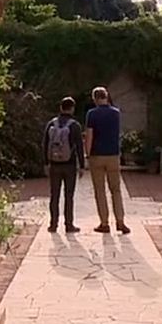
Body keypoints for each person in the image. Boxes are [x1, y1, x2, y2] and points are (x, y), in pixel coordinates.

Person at [84, 86, 131, 234]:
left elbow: (89, 135)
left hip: (97, 155)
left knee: (100, 190)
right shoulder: (116, 113)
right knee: (116, 189)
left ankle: (104, 223)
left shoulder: (92, 114)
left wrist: (87, 153)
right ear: (107, 96)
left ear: (95, 98)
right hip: (113, 155)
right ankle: (120, 221)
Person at [42, 96, 86, 233]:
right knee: (69, 195)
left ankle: (53, 224)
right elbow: (79, 146)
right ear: (72, 109)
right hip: (70, 165)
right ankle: (69, 224)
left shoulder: (51, 124)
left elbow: (44, 144)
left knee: (54, 195)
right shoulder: (74, 126)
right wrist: (82, 165)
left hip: (54, 165)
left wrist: (45, 163)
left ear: (60, 107)